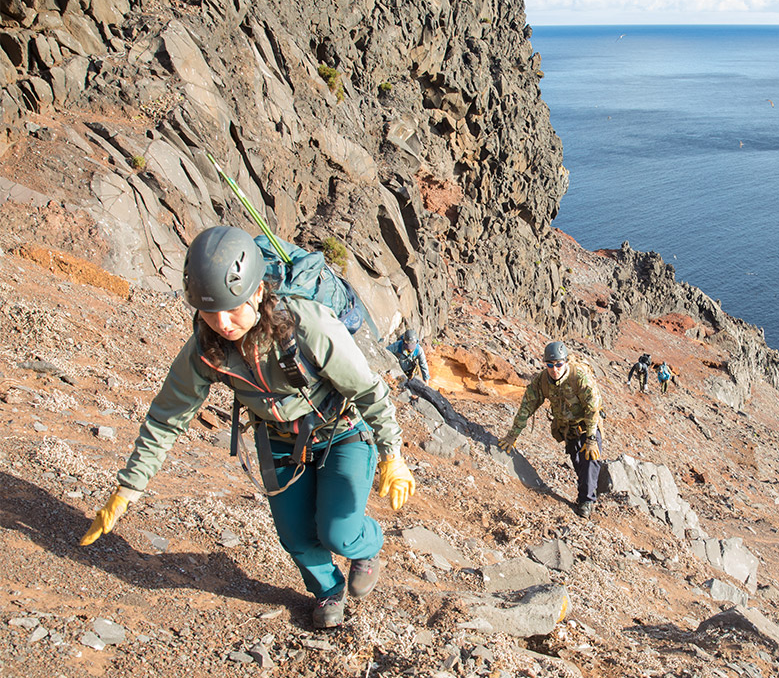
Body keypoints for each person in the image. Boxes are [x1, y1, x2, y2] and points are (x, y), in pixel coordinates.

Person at [79, 226, 417, 629]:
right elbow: (167, 418)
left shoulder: (307, 325)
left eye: (233, 307)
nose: (223, 322)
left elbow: (368, 390)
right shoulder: (207, 349)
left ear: (258, 292)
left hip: (342, 432)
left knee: (338, 532)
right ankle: (329, 590)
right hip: (279, 442)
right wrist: (128, 489)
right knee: (295, 536)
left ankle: (366, 544)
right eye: (211, 310)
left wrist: (392, 455)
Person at [498, 341, 603, 518]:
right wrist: (512, 436)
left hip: (587, 426)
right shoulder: (542, 382)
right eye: (550, 365)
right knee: (578, 464)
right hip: (567, 430)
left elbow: (593, 407)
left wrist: (592, 438)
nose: (555, 370)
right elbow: (526, 407)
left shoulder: (579, 377)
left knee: (590, 460)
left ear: (566, 362)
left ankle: (586, 501)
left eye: (559, 365)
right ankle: (585, 491)